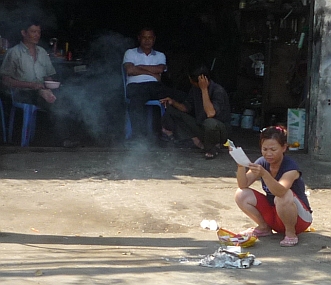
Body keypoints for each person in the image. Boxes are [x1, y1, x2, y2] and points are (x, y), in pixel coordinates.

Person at [0, 18, 78, 147]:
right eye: (33, 31)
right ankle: (62, 140)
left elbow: (48, 76)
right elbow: (5, 80)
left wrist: (51, 85)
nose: (37, 35)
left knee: (69, 98)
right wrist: (32, 85)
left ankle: (70, 136)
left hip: (41, 90)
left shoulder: (42, 52)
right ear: (24, 33)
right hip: (22, 92)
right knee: (52, 102)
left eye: (38, 32)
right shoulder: (14, 53)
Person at [234, 126, 312, 247]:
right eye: (264, 149)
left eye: (273, 149)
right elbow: (243, 184)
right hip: (275, 214)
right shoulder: (262, 162)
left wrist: (264, 174)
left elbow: (280, 191)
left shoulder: (291, 167)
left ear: (284, 148)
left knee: (283, 195)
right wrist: (240, 166)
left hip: (299, 219)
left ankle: (290, 233)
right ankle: (264, 227)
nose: (268, 153)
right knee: (241, 194)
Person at [122, 27, 186, 139]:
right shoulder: (130, 53)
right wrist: (152, 73)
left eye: (150, 38)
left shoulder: (160, 55)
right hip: (135, 87)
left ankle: (178, 133)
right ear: (139, 38)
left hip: (154, 87)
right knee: (136, 103)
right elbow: (130, 70)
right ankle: (139, 138)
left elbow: (160, 69)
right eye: (144, 38)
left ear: (154, 39)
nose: (147, 40)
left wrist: (139, 67)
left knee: (182, 96)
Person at [160, 63, 231, 159]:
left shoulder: (218, 90)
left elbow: (210, 113)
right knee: (173, 111)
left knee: (210, 122)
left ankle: (212, 148)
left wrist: (204, 90)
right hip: (201, 126)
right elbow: (186, 108)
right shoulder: (195, 89)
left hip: (219, 131)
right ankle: (196, 141)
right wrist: (172, 102)